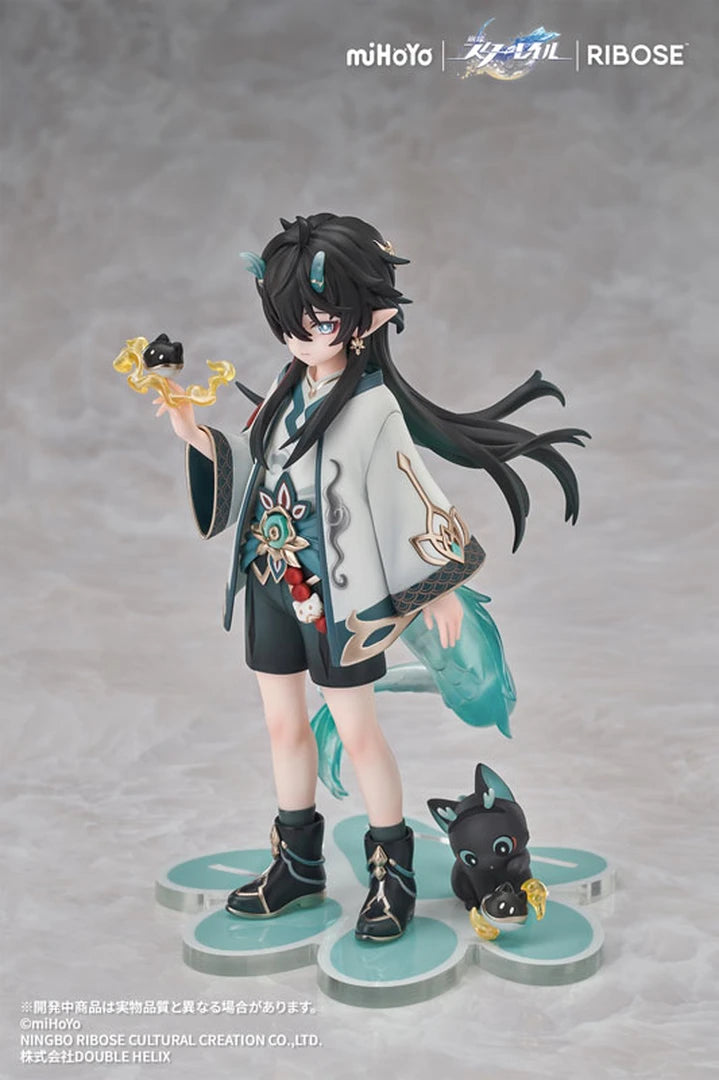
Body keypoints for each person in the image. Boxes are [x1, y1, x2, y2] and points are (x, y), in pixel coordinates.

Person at [152, 212, 587, 942]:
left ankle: (394, 875)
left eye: (319, 320)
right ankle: (298, 864)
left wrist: (440, 582)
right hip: (271, 576)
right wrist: (196, 434)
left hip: (338, 596)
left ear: (367, 319)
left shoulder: (372, 405)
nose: (302, 335)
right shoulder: (288, 388)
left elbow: (410, 490)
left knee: (357, 734)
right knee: (282, 724)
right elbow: (260, 470)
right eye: (289, 319)